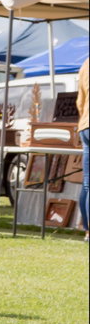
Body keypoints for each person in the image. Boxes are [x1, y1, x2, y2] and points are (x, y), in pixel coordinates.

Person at [77, 60, 88, 241]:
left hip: (85, 125)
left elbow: (80, 101)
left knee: (88, 183)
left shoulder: (86, 63)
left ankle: (87, 230)